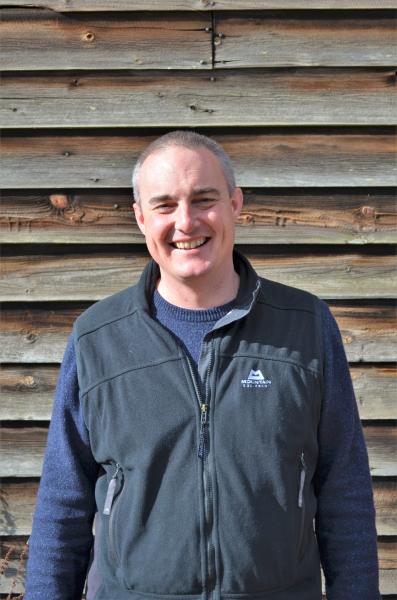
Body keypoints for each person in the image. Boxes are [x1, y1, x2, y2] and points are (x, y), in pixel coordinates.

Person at [25, 130, 380, 600]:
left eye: (204, 199)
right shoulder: (98, 338)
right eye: (165, 205)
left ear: (235, 204)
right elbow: (62, 504)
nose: (186, 222)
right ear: (140, 218)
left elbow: (344, 490)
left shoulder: (305, 326)